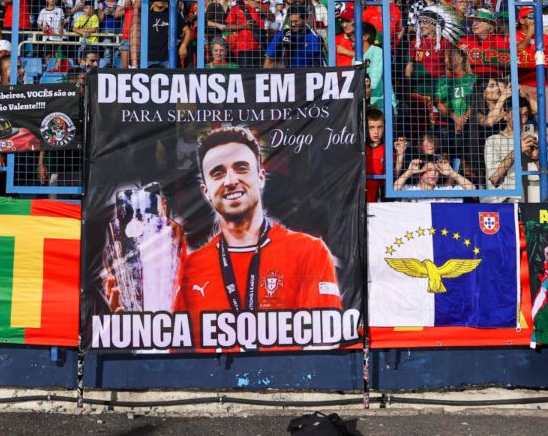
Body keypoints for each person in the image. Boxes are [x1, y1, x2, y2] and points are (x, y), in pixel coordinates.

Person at [106, 126, 342, 350]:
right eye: (217, 173)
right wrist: (137, 325)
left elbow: (324, 339)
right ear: (205, 190)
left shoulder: (309, 251)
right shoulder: (189, 269)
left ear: (260, 177)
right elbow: (172, 350)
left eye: (241, 168)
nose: (230, 181)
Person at [393, 155, 476, 202]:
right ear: (420, 172)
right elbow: (394, 189)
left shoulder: (445, 191)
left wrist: (452, 173)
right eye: (429, 170)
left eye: (436, 170)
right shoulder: (411, 190)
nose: (433, 173)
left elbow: (472, 189)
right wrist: (409, 172)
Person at [365, 107, 386, 203]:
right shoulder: (359, 147)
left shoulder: (387, 149)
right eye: (371, 127)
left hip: (378, 201)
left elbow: (395, 174)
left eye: (379, 127)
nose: (376, 132)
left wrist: (400, 154)